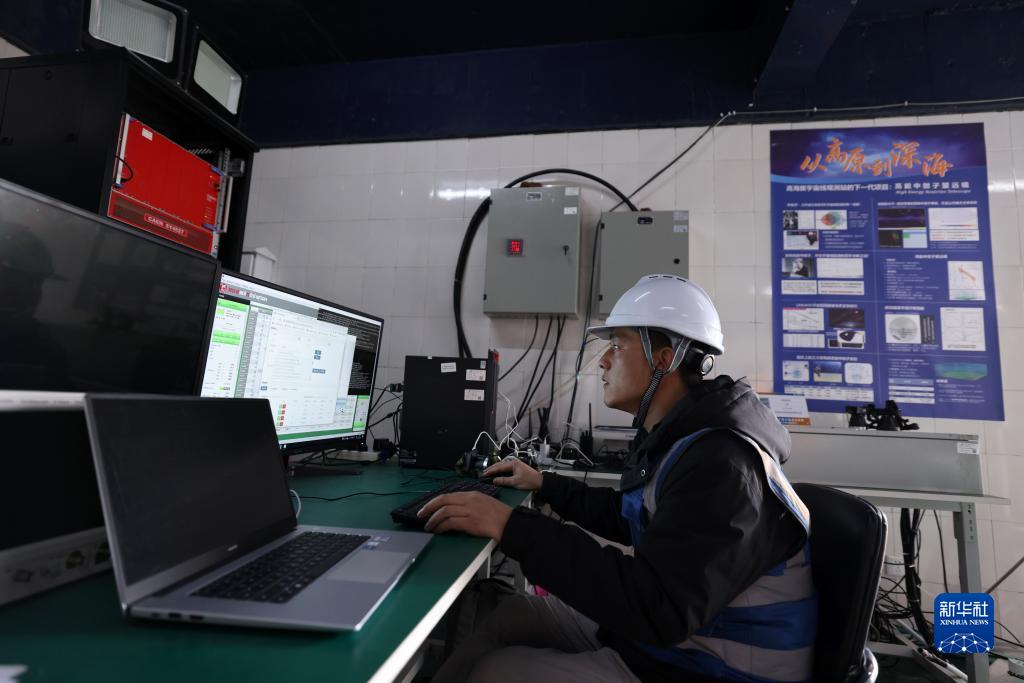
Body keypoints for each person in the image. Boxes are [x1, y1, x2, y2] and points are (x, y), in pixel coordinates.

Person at [419, 274, 815, 683]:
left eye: (618, 345)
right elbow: (632, 516)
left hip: (709, 667)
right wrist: (545, 484)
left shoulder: (721, 464)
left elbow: (658, 607)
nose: (603, 361)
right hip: (674, 641)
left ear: (664, 359)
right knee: (515, 614)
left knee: (497, 672)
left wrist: (511, 526)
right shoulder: (680, 438)